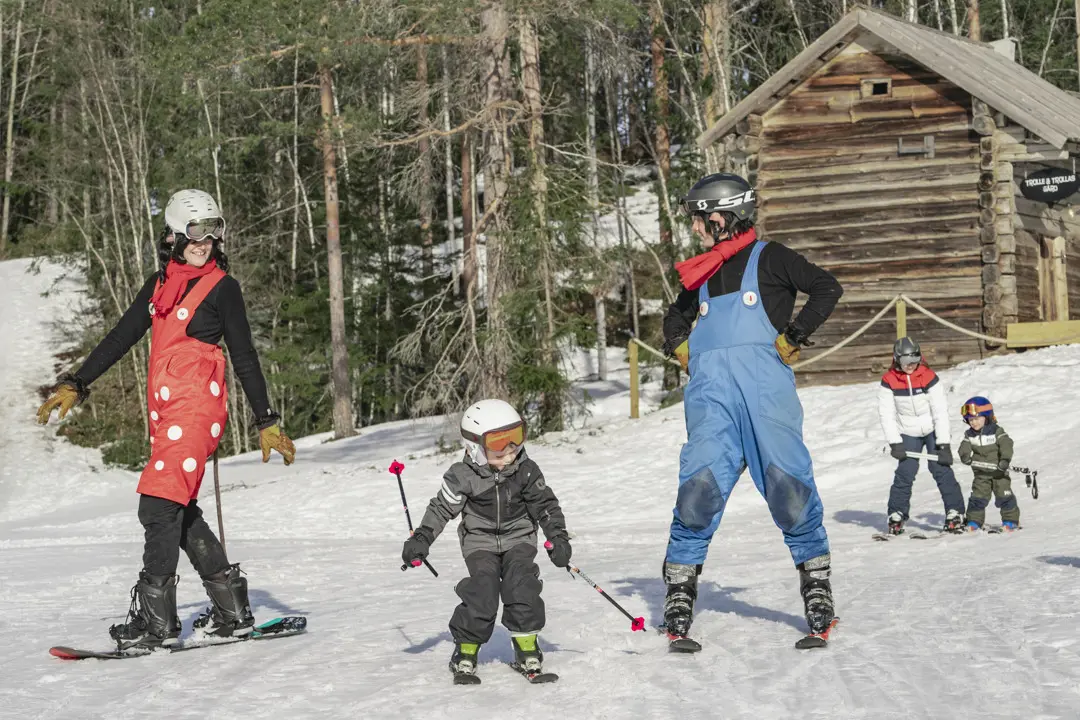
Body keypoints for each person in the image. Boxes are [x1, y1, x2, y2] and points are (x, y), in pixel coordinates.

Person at [36, 189, 296, 651]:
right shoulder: (160, 285)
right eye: (197, 231)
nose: (207, 240)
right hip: (169, 411)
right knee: (175, 508)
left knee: (156, 506)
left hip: (197, 408)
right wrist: (78, 382)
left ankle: (157, 623)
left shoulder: (223, 286)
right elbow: (122, 335)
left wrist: (266, 419)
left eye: (215, 230)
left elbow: (245, 355)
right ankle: (232, 612)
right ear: (175, 235)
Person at [659, 173, 843, 641]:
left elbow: (826, 287)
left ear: (723, 218)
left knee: (788, 487)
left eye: (701, 220)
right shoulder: (700, 273)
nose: (697, 230)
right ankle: (680, 588)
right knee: (697, 492)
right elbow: (674, 318)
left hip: (764, 394)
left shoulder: (772, 258)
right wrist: (684, 350)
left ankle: (816, 587)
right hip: (711, 402)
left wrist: (794, 336)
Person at [401, 399, 569, 680]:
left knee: (522, 586)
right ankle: (466, 650)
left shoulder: (526, 470)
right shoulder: (461, 475)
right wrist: (422, 538)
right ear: (475, 447)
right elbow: (441, 508)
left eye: (515, 438)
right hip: (479, 542)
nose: (510, 451)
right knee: (483, 590)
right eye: (498, 444)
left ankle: (527, 648)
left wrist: (558, 537)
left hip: (519, 538)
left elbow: (546, 505)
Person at [878, 336, 965, 534]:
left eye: (915, 361)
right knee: (905, 472)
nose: (911, 366)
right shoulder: (889, 381)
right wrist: (895, 442)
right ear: (897, 360)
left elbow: (940, 411)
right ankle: (896, 513)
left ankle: (955, 511)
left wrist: (943, 443)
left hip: (932, 429)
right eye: (906, 362)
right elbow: (886, 414)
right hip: (908, 431)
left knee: (941, 469)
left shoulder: (928, 376)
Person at [958, 397, 1019, 531]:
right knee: (977, 498)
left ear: (987, 416)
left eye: (977, 418)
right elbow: (964, 446)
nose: (973, 422)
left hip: (999, 472)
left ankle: (1010, 521)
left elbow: (1007, 445)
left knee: (1004, 496)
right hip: (981, 473)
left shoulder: (997, 431)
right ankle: (974, 521)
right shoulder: (969, 434)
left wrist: (1005, 460)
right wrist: (965, 455)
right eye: (970, 420)